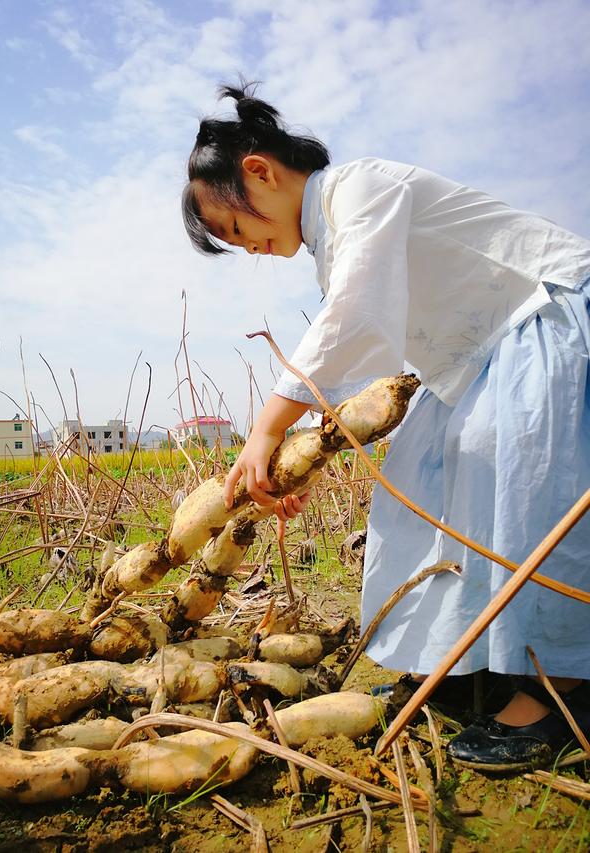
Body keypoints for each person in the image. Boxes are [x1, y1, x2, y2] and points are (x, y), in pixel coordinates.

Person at [181, 82, 590, 771]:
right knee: (421, 485)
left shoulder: (358, 189)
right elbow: (350, 355)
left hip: (540, 316)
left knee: (521, 479)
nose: (246, 248)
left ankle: (563, 690)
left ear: (259, 171)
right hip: (478, 360)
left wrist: (264, 430)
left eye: (235, 229)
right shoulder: (331, 243)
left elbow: (354, 317)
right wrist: (285, 460)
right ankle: (468, 661)